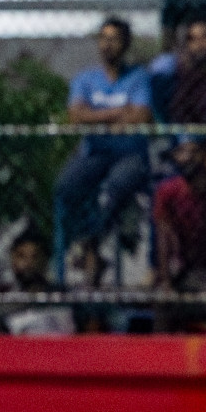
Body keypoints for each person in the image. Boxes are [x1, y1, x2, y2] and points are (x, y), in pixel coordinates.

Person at [54, 17, 152, 286]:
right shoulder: (86, 79)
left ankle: (90, 243)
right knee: (66, 186)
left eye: (115, 39)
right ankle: (83, 246)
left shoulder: (138, 77)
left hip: (129, 154)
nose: (108, 45)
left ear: (125, 44)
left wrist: (96, 115)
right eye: (103, 39)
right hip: (94, 152)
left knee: (115, 188)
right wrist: (118, 113)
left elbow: (141, 115)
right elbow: (75, 116)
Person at [152, 137, 206, 332]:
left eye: (193, 153)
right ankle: (162, 356)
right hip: (183, 269)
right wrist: (166, 280)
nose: (188, 159)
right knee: (163, 302)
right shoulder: (169, 191)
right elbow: (164, 238)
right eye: (182, 153)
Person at [0, 228, 77, 336]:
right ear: (13, 261)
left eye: (35, 256)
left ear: (45, 260)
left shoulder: (66, 298)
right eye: (22, 256)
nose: (28, 263)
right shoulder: (5, 306)